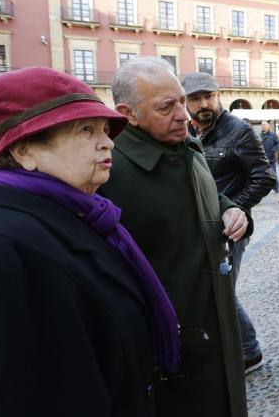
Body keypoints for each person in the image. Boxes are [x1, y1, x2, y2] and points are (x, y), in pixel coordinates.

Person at [0, 67, 179, 416]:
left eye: (106, 130)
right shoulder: (6, 244)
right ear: (24, 151)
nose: (108, 141)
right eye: (85, 129)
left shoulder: (82, 214)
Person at [99, 58, 250, 417]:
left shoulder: (185, 145)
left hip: (218, 327)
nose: (185, 114)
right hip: (172, 352)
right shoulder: (109, 171)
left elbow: (205, 192)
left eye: (182, 100)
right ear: (128, 114)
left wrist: (230, 208)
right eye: (167, 107)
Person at [181, 72, 275, 374]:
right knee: (215, 290)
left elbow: (265, 177)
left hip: (231, 230)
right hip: (205, 228)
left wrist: (232, 208)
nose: (204, 103)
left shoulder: (239, 131)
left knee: (221, 292)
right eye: (196, 98)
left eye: (209, 96)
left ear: (218, 94)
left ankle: (249, 352)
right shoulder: (193, 131)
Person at [260, 121, 279, 193]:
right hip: (262, 158)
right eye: (262, 125)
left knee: (273, 173)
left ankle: (276, 188)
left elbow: (278, 144)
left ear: (268, 126)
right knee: (262, 175)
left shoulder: (273, 135)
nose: (263, 126)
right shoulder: (259, 136)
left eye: (264, 125)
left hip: (271, 158)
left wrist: (273, 150)